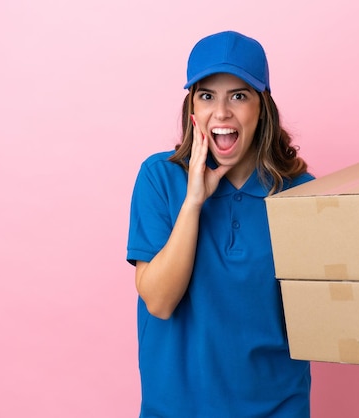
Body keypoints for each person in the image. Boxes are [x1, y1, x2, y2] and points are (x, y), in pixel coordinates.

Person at [127, 30, 313, 417]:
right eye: (207, 95)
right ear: (191, 107)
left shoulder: (304, 195)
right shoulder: (159, 179)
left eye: (239, 96)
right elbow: (159, 302)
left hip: (277, 406)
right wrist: (194, 200)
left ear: (262, 108)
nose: (222, 112)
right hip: (176, 408)